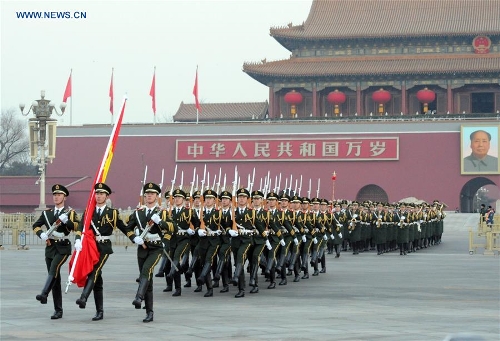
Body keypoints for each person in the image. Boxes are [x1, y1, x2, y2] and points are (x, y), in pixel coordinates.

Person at [74, 182, 140, 321]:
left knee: (94, 271)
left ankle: (83, 297)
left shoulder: (113, 213)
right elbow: (81, 227)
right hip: (90, 246)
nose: (98, 196)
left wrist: (134, 237)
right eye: (97, 194)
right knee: (97, 280)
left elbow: (124, 228)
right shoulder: (89, 211)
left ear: (107, 196)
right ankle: (100, 311)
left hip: (104, 247)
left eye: (102, 194)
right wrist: (78, 239)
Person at [127, 182, 176, 322]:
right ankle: (149, 312)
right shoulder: (138, 212)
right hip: (142, 247)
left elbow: (173, 228)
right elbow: (128, 228)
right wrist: (134, 237)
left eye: (152, 194)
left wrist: (160, 222)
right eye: (147, 194)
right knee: (147, 278)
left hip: (156, 247)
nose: (149, 196)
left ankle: (138, 297)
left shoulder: (162, 212)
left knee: (147, 270)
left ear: (156, 196)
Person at [33, 184, 78, 320]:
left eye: (59, 195)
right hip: (50, 248)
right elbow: (35, 226)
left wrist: (68, 221)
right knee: (55, 278)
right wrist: (41, 234)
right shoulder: (47, 213)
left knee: (54, 268)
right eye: (54, 195)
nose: (56, 197)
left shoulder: (70, 213)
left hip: (63, 247)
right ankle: (58, 310)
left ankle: (44, 293)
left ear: (64, 197)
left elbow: (77, 227)